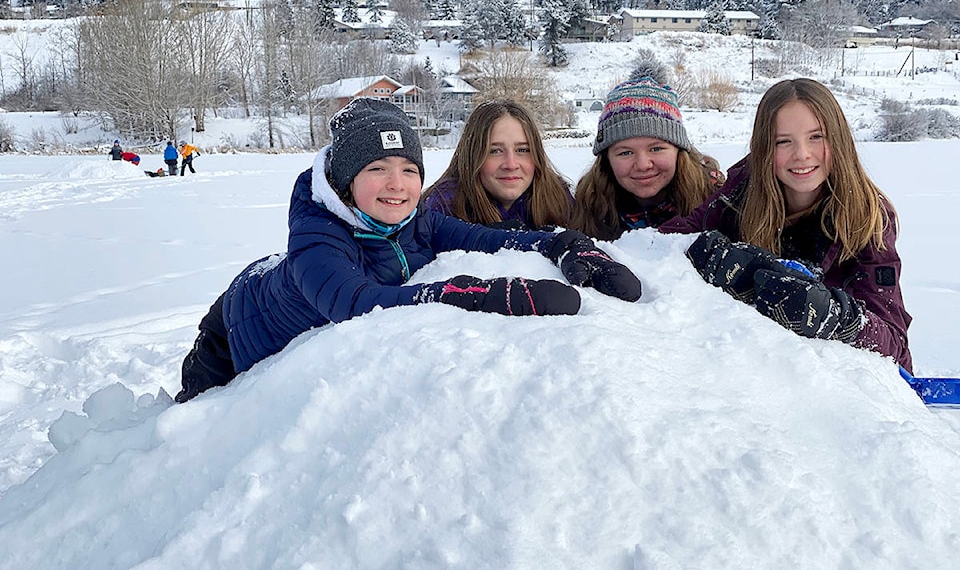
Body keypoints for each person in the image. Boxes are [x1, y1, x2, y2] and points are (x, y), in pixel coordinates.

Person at [175, 98, 643, 402]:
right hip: (235, 330)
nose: (396, 185)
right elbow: (353, 303)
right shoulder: (318, 238)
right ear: (345, 181)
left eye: (408, 169)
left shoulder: (416, 220)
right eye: (377, 168)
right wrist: (479, 295)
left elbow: (482, 236)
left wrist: (559, 243)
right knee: (188, 426)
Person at [659, 78, 912, 372]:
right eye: (783, 141)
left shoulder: (868, 217)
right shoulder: (742, 190)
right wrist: (711, 254)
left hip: (830, 383)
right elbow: (668, 242)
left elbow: (896, 348)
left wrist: (837, 317)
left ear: (839, 140)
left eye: (816, 137)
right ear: (765, 147)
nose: (802, 154)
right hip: (744, 370)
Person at [570, 62, 724, 240]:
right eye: (625, 152)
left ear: (679, 150)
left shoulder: (715, 199)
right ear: (607, 159)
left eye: (656, 148)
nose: (643, 165)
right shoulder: (587, 205)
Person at [422, 99, 574, 230]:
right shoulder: (442, 209)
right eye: (495, 151)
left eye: (522, 150)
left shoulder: (559, 201)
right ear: (472, 156)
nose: (511, 164)